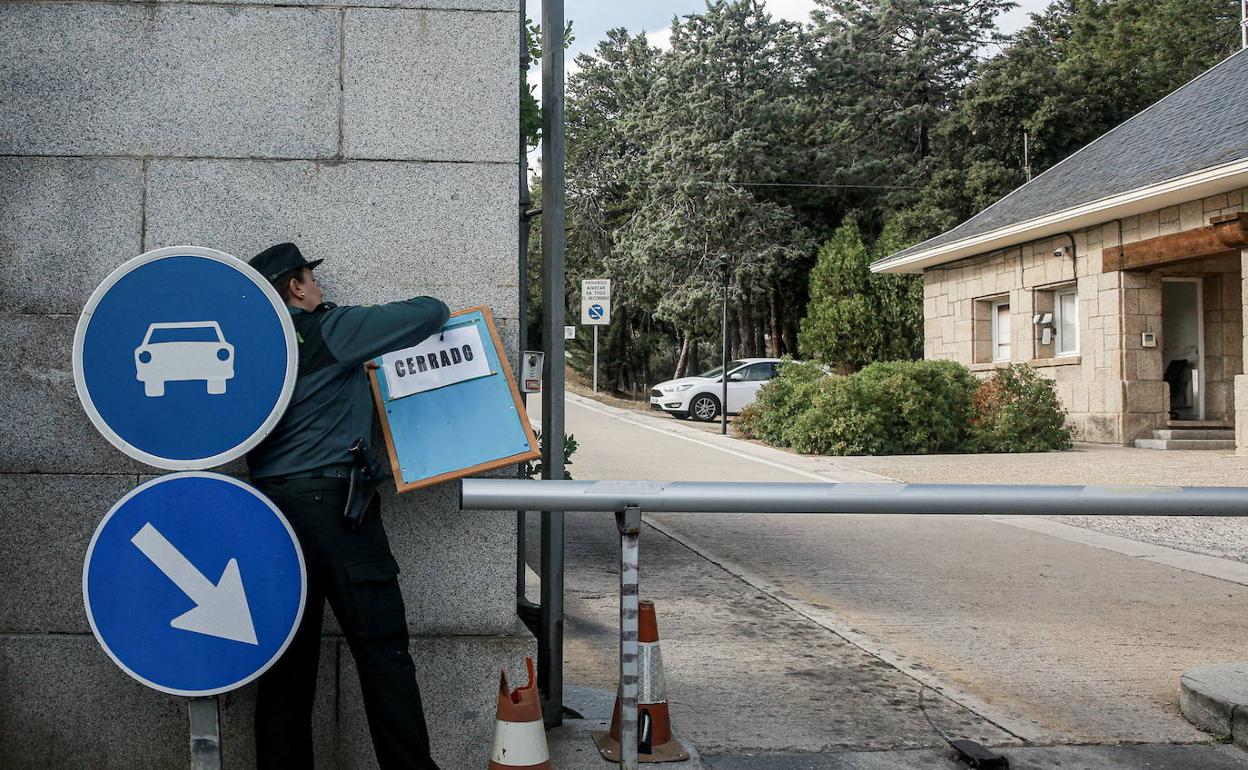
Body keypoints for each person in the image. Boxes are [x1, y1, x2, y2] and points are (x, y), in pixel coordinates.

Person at [246, 242, 448, 769]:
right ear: (295, 286)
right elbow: (431, 312)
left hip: (269, 513)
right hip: (336, 508)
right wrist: (338, 321)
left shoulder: (251, 352)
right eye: (313, 279)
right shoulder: (326, 331)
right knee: (383, 654)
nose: (320, 288)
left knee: (285, 666)